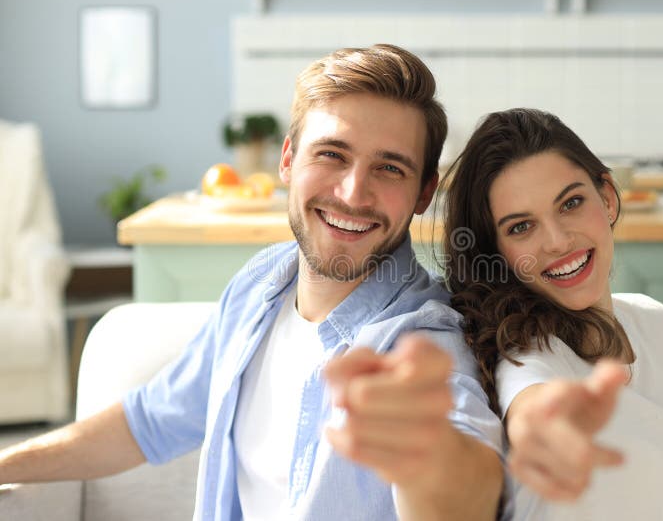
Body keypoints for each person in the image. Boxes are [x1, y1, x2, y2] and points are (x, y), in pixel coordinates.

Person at [0, 44, 505, 520]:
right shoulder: (261, 284)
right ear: (288, 160)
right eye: (331, 154)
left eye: (389, 168)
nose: (354, 193)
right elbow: (151, 420)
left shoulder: (422, 338)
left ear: (423, 193)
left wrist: (430, 457)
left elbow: (465, 484)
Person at [440, 108, 663, 520]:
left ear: (607, 197)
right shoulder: (524, 356)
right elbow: (533, 408)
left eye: (571, 203)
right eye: (520, 227)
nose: (557, 240)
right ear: (496, 255)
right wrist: (542, 432)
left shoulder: (654, 322)